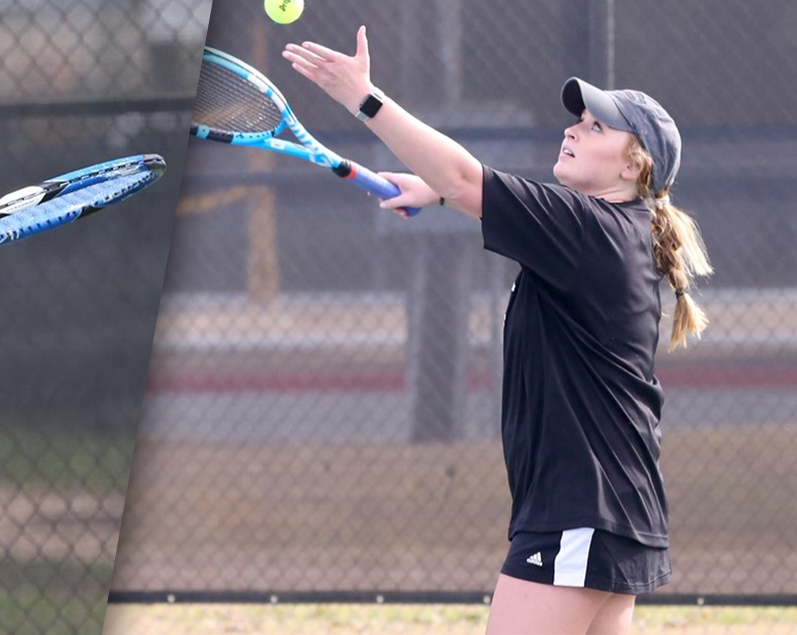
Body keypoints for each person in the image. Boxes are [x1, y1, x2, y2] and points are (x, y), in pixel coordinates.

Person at [284, 27, 712, 634]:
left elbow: (465, 179)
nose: (573, 128)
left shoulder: (590, 229)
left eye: (596, 127)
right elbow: (464, 192)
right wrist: (434, 196)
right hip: (616, 512)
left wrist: (365, 98)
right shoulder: (617, 231)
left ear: (635, 160)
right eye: (578, 119)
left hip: (580, 511)